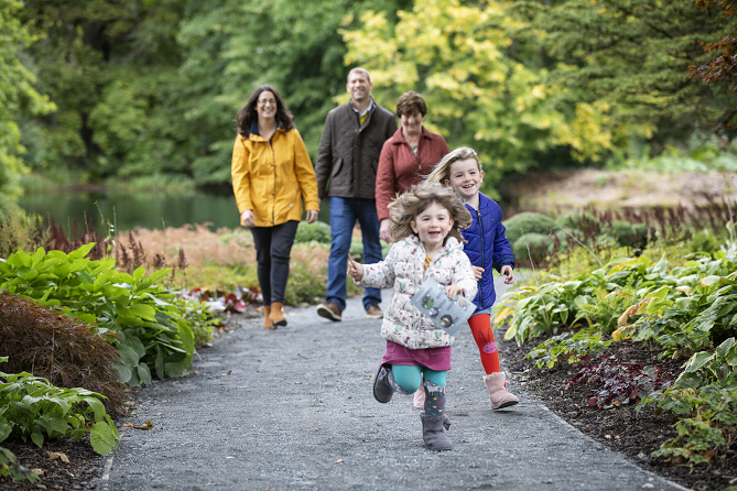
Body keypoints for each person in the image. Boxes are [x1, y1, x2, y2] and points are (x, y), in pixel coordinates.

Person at [347, 184, 477, 451]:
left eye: (440, 218)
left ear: (450, 222)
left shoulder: (456, 256)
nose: (434, 224)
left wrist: (461, 288)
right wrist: (362, 273)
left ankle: (433, 429)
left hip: (437, 335)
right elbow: (384, 273)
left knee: (436, 386)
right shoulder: (402, 250)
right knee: (408, 385)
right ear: (415, 224)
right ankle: (388, 376)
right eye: (426, 218)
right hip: (403, 334)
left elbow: (467, 279)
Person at [425, 147, 519, 410]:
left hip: (481, 292)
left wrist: (505, 263)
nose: (467, 179)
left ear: (481, 175)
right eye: (459, 175)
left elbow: (499, 239)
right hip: (450, 292)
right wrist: (462, 268)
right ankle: (426, 388)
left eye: (471, 172)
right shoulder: (444, 213)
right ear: (448, 182)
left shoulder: (491, 208)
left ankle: (498, 392)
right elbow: (435, 249)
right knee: (438, 342)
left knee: (486, 339)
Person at [231, 85, 319, 330]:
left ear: (277, 106)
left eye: (272, 101)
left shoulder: (291, 135)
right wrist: (245, 208)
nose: (267, 105)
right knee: (263, 258)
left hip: (287, 206)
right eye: (263, 101)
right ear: (255, 106)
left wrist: (311, 202)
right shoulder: (244, 139)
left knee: (279, 254)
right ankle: (268, 309)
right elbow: (240, 177)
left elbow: (305, 172)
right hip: (256, 209)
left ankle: (278, 308)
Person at [314, 68, 397, 322]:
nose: (358, 85)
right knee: (339, 245)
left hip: (374, 195)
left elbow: (392, 160)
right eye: (353, 81)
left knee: (373, 245)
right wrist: (315, 196)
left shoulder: (386, 119)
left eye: (362, 81)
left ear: (370, 85)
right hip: (341, 193)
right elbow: (324, 157)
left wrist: (393, 200)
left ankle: (372, 303)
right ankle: (335, 303)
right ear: (348, 86)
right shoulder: (334, 116)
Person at [375, 91, 449, 244]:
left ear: (422, 115)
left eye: (415, 115)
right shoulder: (390, 146)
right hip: (404, 216)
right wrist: (384, 219)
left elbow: (449, 177)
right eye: (406, 115)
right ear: (400, 117)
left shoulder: (437, 141)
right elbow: (383, 185)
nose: (410, 120)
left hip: (436, 212)